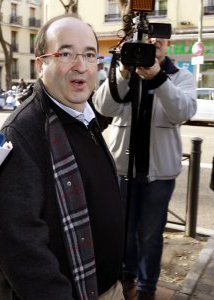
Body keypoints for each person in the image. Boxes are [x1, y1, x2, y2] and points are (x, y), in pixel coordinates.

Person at [0, 15, 125, 300]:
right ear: (41, 65)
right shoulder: (24, 131)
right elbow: (21, 248)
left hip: (108, 286)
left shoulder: (85, 114)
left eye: (90, 54)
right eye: (65, 53)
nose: (81, 65)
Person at [93, 37, 197, 300]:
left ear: (168, 42)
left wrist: (159, 78)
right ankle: (127, 273)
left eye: (160, 37)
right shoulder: (125, 72)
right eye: (148, 37)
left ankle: (147, 287)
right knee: (124, 231)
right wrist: (124, 72)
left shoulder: (179, 76)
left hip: (159, 174)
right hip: (122, 167)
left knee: (151, 236)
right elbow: (104, 106)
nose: (154, 42)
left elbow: (183, 112)